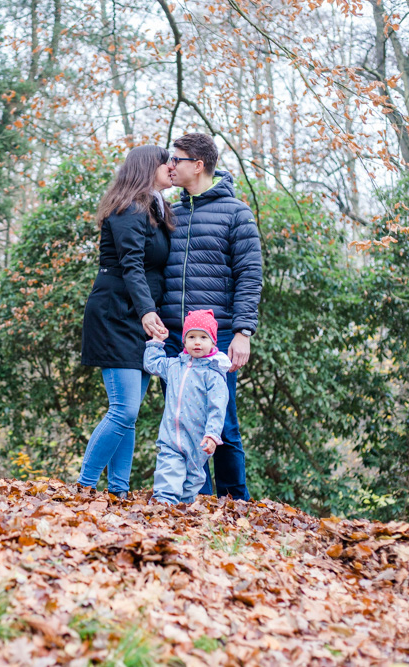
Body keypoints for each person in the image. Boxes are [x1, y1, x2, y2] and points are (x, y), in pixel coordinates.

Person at [161, 133, 262, 501]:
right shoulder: (171, 212)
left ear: (198, 165)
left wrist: (243, 331)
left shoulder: (236, 212)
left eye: (178, 159)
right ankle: (193, 500)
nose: (171, 166)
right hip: (174, 336)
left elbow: (250, 274)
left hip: (216, 338)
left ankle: (236, 504)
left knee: (223, 424)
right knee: (181, 425)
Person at [78, 146, 174, 499]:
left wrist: (152, 313)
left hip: (141, 316)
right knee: (124, 408)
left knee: (128, 414)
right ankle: (84, 486)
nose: (172, 166)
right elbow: (132, 266)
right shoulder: (130, 209)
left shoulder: (155, 209)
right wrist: (148, 312)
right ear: (149, 167)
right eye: (167, 161)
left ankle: (118, 490)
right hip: (118, 313)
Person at [144, 310, 231, 505]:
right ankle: (164, 504)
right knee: (169, 468)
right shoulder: (175, 365)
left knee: (193, 479)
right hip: (171, 436)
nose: (197, 342)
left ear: (213, 342)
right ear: (184, 340)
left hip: (197, 439)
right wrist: (157, 341)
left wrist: (212, 435)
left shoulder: (213, 374)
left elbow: (217, 408)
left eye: (203, 337)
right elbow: (152, 364)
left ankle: (182, 507)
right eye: (191, 337)